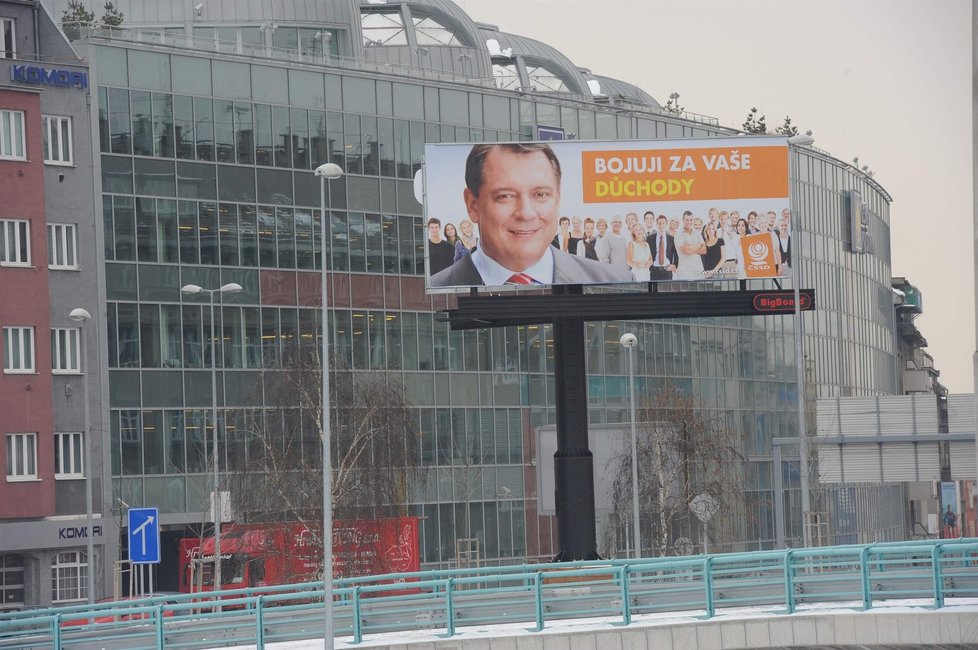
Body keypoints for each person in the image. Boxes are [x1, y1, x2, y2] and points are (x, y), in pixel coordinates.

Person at [429, 143, 633, 287]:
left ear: (557, 199)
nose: (526, 213)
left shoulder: (615, 282)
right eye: (505, 196)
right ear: (473, 206)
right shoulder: (438, 288)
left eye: (541, 194)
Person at [674, 211, 705, 280]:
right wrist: (699, 245)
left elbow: (704, 250)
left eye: (691, 220)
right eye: (687, 220)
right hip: (685, 272)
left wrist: (691, 248)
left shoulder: (697, 233)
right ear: (683, 220)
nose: (689, 222)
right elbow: (687, 251)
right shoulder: (678, 234)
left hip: (698, 271)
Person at [646, 214, 678, 281]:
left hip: (667, 271)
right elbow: (646, 253)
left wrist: (675, 265)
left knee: (667, 290)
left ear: (666, 224)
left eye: (663, 223)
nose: (661, 226)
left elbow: (676, 254)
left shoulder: (671, 239)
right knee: (654, 290)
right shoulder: (650, 238)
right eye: (659, 223)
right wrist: (650, 267)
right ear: (656, 224)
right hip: (654, 271)